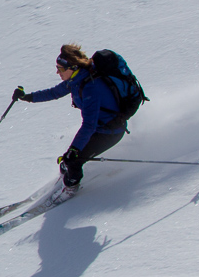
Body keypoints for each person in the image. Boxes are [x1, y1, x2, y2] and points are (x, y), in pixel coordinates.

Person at [13, 44, 127, 190]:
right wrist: (27, 97)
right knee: (68, 159)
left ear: (72, 68)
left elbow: (89, 125)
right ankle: (66, 177)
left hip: (110, 131)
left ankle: (71, 188)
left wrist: (74, 151)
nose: (57, 72)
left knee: (74, 160)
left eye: (60, 68)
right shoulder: (75, 80)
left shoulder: (90, 87)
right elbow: (54, 92)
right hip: (98, 127)